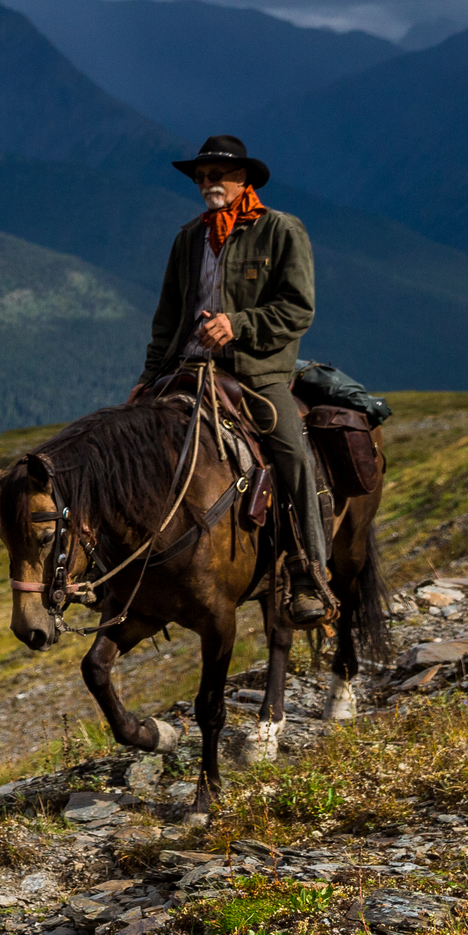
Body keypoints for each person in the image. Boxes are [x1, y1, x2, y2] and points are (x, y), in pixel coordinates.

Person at [130, 134, 335, 623]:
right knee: (132, 449)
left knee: (292, 453)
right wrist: (148, 378)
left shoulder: (281, 230)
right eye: (201, 176)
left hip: (257, 373)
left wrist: (237, 325)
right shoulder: (188, 239)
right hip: (188, 368)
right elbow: (167, 319)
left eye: (216, 175)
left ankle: (310, 571)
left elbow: (297, 308)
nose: (207, 183)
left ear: (244, 179)